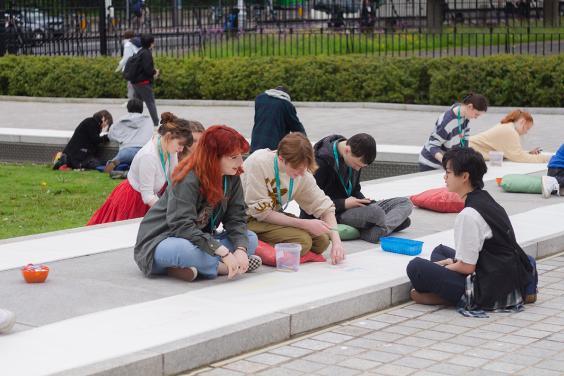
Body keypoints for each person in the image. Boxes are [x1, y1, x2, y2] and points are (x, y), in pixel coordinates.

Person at [406, 148, 533, 313]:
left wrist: (443, 268)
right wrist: (449, 262)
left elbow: (467, 268)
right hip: (503, 271)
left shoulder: (468, 215)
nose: (445, 177)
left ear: (465, 177)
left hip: (489, 286)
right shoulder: (486, 199)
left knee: (416, 267)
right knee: (440, 251)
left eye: (449, 172)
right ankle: (447, 292)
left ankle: (455, 298)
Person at [134, 125, 261, 282]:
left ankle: (191, 268)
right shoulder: (188, 176)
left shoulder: (231, 175)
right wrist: (224, 252)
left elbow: (236, 217)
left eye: (241, 156)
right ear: (214, 156)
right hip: (163, 239)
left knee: (250, 238)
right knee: (186, 251)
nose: (241, 162)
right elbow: (181, 225)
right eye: (233, 157)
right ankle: (222, 267)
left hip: (199, 238)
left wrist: (241, 249)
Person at [242, 133, 345, 264]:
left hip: (272, 215)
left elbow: (325, 207)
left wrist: (337, 243)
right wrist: (305, 224)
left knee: (323, 241)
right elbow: (262, 213)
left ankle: (285, 252)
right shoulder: (258, 163)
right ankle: (254, 244)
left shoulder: (301, 173)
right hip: (248, 218)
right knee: (303, 242)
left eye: (305, 168)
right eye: (297, 168)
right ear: (281, 158)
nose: (301, 173)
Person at [303, 133, 413, 243]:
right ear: (347, 150)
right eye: (357, 165)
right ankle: (379, 229)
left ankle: (378, 229)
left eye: (361, 167)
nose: (357, 169)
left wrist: (365, 201)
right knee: (379, 214)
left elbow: (355, 190)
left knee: (405, 202)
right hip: (334, 213)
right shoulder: (320, 163)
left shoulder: (353, 157)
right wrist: (344, 203)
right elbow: (310, 203)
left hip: (353, 207)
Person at [87, 113, 192, 225]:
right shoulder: (149, 156)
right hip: (133, 201)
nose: (181, 149)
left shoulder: (169, 147)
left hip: (152, 199)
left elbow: (174, 178)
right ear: (168, 136)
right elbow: (147, 197)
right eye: (180, 144)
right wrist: (171, 210)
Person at [419, 93, 488, 171]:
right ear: (470, 106)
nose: (476, 118)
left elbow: (464, 142)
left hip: (447, 165)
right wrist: (448, 164)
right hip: (430, 164)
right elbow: (432, 145)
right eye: (476, 114)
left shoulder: (465, 115)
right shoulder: (447, 121)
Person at [469, 109, 549, 163]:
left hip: (469, 149)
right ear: (522, 122)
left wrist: (528, 153)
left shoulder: (507, 126)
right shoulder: (510, 131)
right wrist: (547, 158)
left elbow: (509, 152)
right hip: (468, 151)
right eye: (527, 128)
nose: (526, 132)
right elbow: (519, 157)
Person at [250, 86, 306, 153]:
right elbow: (296, 127)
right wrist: (306, 143)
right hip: (273, 148)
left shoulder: (259, 99)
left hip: (255, 145)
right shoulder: (286, 105)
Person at [104, 98, 153, 173]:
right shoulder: (148, 119)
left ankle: (115, 164)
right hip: (143, 151)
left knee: (120, 159)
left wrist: (121, 139)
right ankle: (130, 171)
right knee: (142, 166)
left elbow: (111, 134)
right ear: (142, 108)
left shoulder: (121, 119)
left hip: (126, 150)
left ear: (128, 108)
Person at [131, 34, 159, 127]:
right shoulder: (147, 53)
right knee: (150, 103)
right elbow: (147, 70)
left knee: (137, 104)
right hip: (144, 83)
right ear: (150, 43)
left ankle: (135, 122)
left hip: (136, 82)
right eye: (153, 42)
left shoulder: (140, 51)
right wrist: (155, 72)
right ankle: (156, 123)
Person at [115, 30, 141, 100]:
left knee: (130, 85)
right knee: (136, 85)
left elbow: (126, 58)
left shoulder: (127, 44)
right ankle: (137, 101)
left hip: (130, 68)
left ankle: (131, 101)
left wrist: (119, 66)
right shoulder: (138, 42)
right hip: (138, 66)